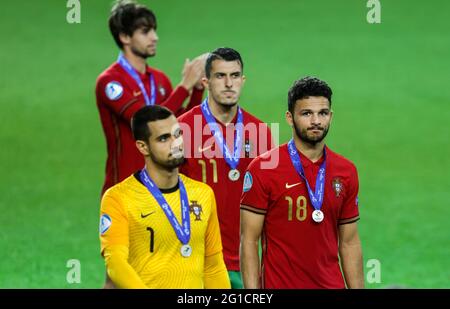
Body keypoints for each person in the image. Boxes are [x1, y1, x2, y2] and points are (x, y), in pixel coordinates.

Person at [240, 76, 364, 289]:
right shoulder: (263, 169)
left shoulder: (346, 171)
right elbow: (249, 241)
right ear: (290, 117)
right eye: (306, 113)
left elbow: (349, 242)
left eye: (323, 113)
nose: (316, 121)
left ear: (331, 116)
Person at [99, 105, 230, 288]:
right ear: (143, 147)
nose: (175, 144)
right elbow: (116, 264)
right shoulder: (118, 198)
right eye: (163, 139)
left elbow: (213, 266)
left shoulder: (203, 194)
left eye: (177, 134)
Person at [178, 47, 273, 288]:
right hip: (196, 259)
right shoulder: (183, 129)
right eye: (220, 76)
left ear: (243, 80)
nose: (229, 83)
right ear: (206, 82)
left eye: (234, 76)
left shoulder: (261, 132)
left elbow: (272, 202)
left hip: (245, 260)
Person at [95, 0, 206, 195]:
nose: (155, 37)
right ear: (124, 36)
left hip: (161, 189)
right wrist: (184, 86)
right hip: (124, 190)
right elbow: (146, 119)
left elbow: (181, 126)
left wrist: (196, 89)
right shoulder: (110, 82)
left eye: (154, 30)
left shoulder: (160, 79)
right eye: (145, 32)